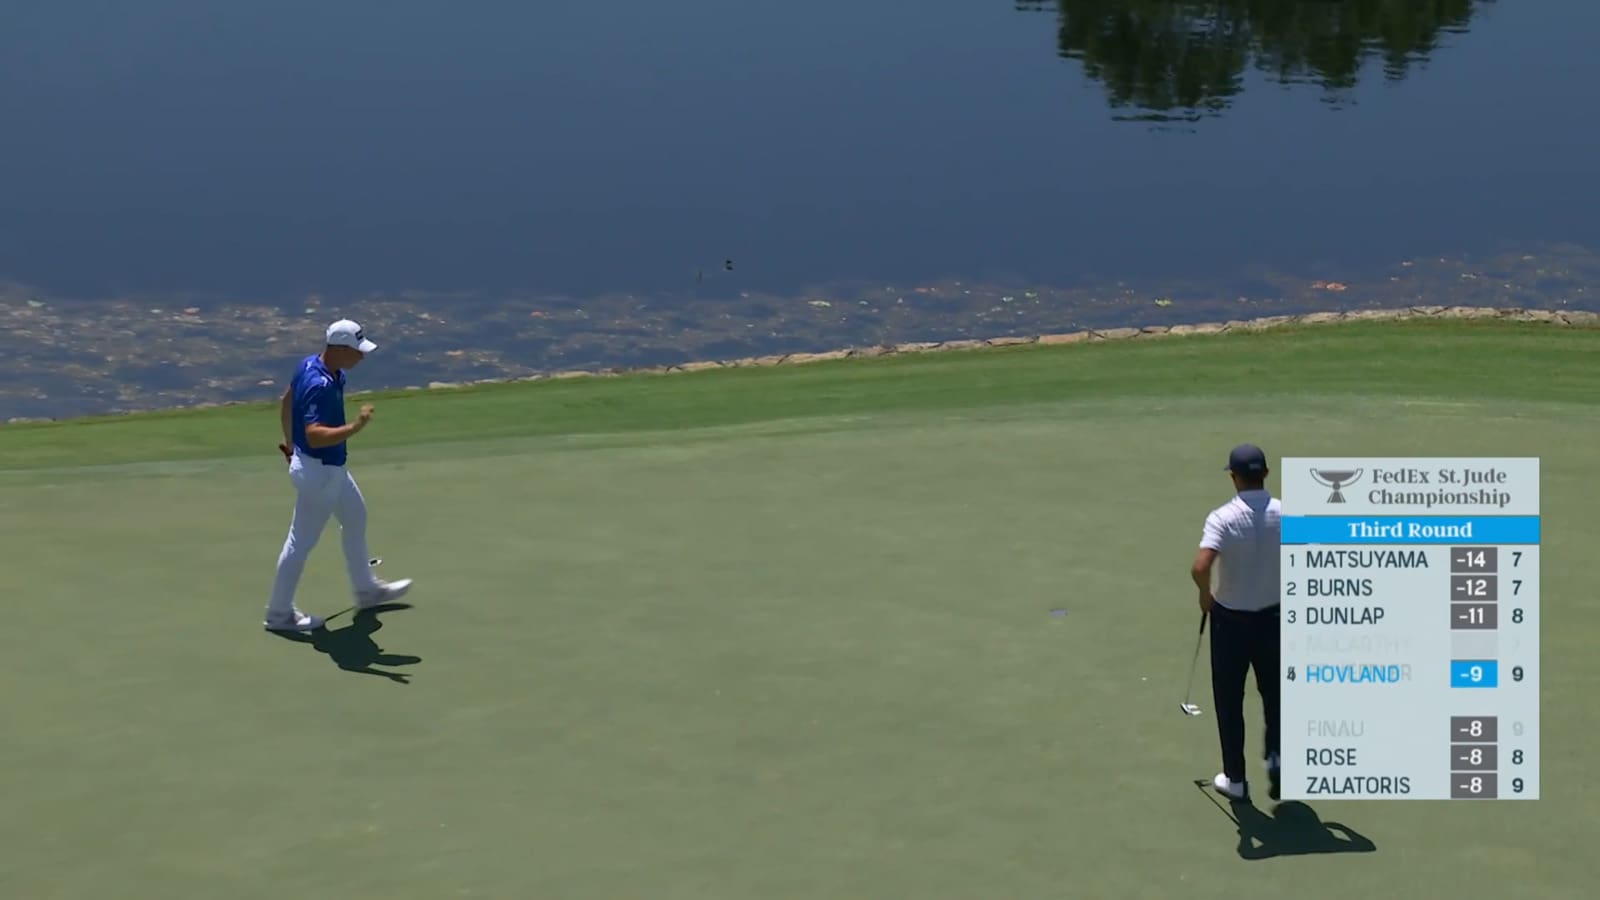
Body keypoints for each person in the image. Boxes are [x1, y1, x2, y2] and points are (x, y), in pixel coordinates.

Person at [264, 318, 413, 632]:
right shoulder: (321, 385)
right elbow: (315, 434)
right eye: (357, 350)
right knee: (300, 542)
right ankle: (278, 614)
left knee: (356, 517)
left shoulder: (313, 367)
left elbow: (287, 400)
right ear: (339, 349)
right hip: (320, 474)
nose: (362, 356)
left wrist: (291, 444)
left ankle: (366, 590)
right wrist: (355, 428)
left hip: (326, 468)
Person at [1191, 443, 1282, 801]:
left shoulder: (1223, 517)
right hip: (1275, 618)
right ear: (1266, 475)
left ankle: (1237, 780)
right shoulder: (1286, 513)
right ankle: (1278, 757)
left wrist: (1204, 594)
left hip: (1230, 622)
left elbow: (1201, 566)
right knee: (1276, 697)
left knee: (1229, 701)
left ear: (1234, 477)